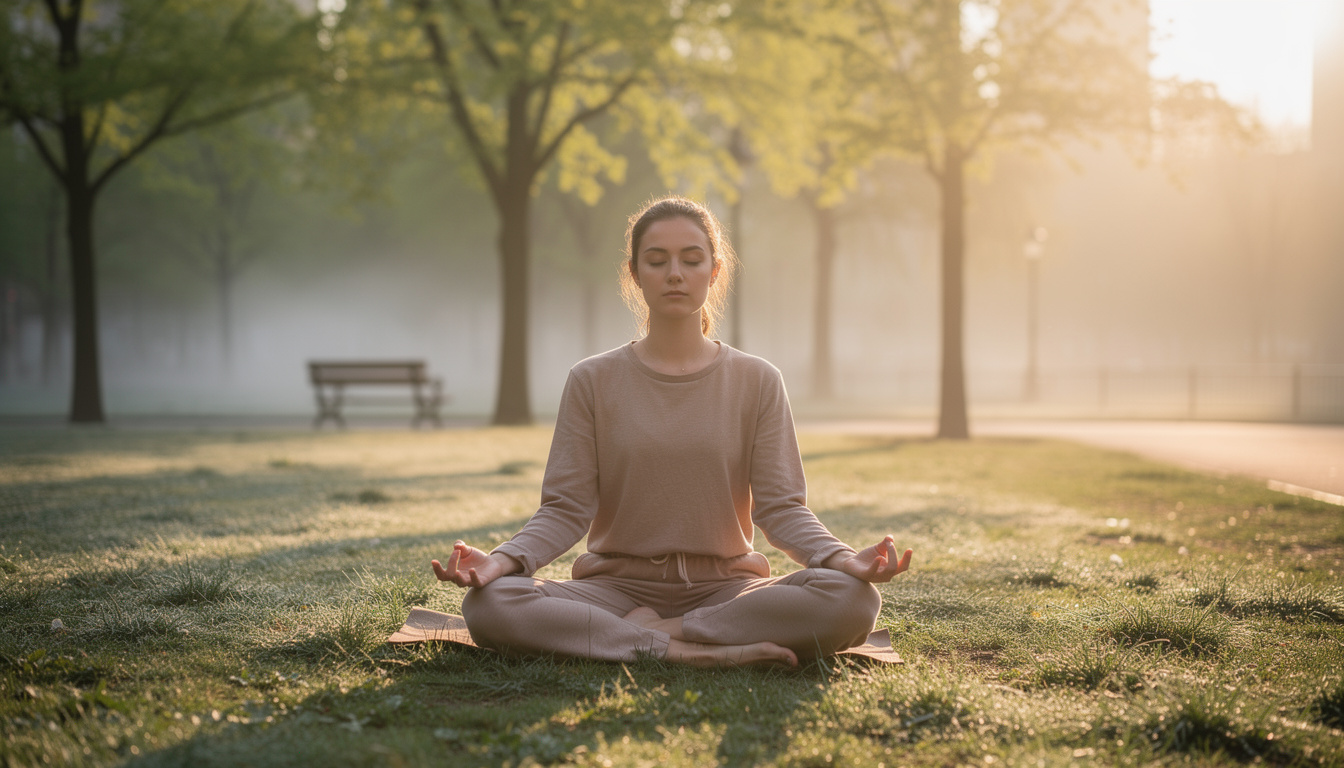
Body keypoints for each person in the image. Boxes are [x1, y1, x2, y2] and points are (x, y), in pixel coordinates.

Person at [432, 196, 912, 667]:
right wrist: (503, 561)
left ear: (715, 271)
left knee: (853, 599)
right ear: (635, 275)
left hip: (728, 593)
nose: (675, 273)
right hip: (614, 590)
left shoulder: (758, 379)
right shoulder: (592, 380)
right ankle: (687, 653)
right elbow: (566, 508)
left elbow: (782, 508)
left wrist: (843, 559)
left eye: (691, 259)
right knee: (489, 604)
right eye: (657, 261)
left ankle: (665, 635)